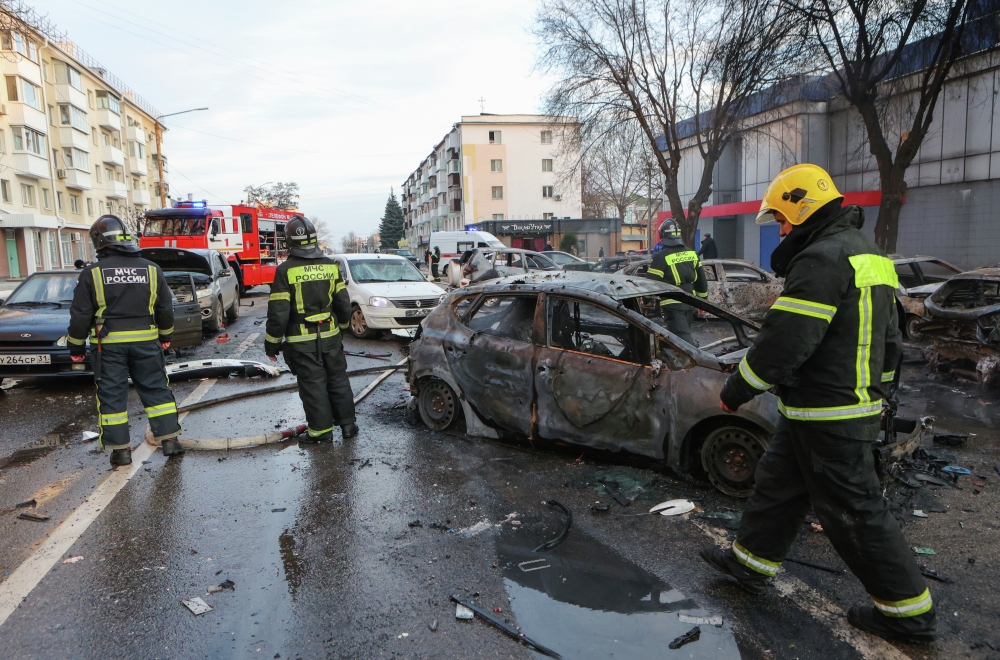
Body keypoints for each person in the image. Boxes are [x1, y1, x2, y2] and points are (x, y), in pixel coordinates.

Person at [700, 163, 935, 643]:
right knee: (778, 487)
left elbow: (786, 340)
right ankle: (749, 562)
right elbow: (890, 341)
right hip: (822, 408)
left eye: (783, 220)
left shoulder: (821, 259)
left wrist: (736, 391)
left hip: (830, 412)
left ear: (802, 209)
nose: (782, 230)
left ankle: (909, 615)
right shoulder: (868, 254)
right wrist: (883, 394)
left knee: (853, 511)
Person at [67, 215, 182, 466]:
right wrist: (165, 336)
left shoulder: (92, 273)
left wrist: (75, 347)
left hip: (108, 346)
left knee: (112, 395)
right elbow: (165, 309)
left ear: (99, 241)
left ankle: (121, 450)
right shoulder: (152, 269)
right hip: (147, 342)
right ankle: (170, 440)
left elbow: (80, 315)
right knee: (156, 389)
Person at [265, 215, 358, 443]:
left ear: (289, 242)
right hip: (331, 337)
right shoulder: (331, 266)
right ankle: (348, 426)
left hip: (302, 341)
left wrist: (272, 344)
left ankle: (321, 432)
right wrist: (342, 328)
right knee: (338, 379)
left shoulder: (285, 270)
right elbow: (343, 304)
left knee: (313, 384)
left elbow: (279, 312)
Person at [643, 218, 707, 345]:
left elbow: (650, 283)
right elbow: (701, 281)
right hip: (690, 303)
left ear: (663, 236)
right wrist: (702, 303)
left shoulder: (661, 257)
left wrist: (646, 299)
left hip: (673, 306)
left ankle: (690, 362)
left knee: (683, 343)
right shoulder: (692, 254)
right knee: (680, 338)